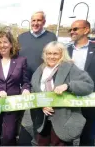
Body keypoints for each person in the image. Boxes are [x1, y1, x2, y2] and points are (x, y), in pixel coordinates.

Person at [31, 41, 93, 146]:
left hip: (64, 118)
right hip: (43, 119)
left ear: (62, 54)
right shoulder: (41, 68)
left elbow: (88, 85)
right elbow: (34, 90)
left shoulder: (70, 67)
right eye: (48, 53)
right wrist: (42, 105)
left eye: (55, 54)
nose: (51, 56)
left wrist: (68, 86)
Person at [17, 11, 57, 146]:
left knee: (41, 116)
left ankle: (38, 142)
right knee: (19, 114)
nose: (35, 23)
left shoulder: (51, 37)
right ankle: (17, 137)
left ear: (44, 22)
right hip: (23, 82)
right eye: (33, 20)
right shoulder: (22, 37)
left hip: (42, 83)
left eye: (39, 20)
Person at [0, 30, 31, 146]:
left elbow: (26, 82)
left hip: (12, 104)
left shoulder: (21, 61)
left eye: (5, 42)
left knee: (9, 136)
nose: (2, 45)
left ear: (11, 44)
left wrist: (26, 89)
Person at [67, 20, 95, 146]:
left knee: (87, 137)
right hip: (68, 98)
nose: (72, 32)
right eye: (70, 30)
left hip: (90, 99)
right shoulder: (66, 50)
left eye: (75, 29)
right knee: (67, 136)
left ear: (86, 30)